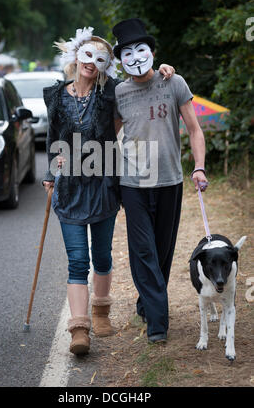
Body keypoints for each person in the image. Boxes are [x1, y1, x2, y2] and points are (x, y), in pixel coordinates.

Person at [42, 26, 175, 355]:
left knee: (101, 256)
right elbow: (52, 137)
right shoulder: (57, 95)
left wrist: (162, 70)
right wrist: (49, 172)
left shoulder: (111, 92)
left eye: (100, 58)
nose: (92, 62)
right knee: (77, 261)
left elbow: (141, 82)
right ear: (76, 56)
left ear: (105, 65)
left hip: (103, 184)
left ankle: (101, 313)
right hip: (69, 187)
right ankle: (79, 329)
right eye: (87, 55)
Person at [112, 18, 208, 344]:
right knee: (143, 251)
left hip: (170, 180)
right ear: (121, 58)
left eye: (141, 49)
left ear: (152, 52)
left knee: (162, 251)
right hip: (133, 183)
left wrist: (199, 166)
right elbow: (110, 139)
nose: (136, 57)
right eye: (128, 52)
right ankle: (158, 324)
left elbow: (194, 129)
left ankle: (146, 303)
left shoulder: (173, 81)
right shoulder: (119, 93)